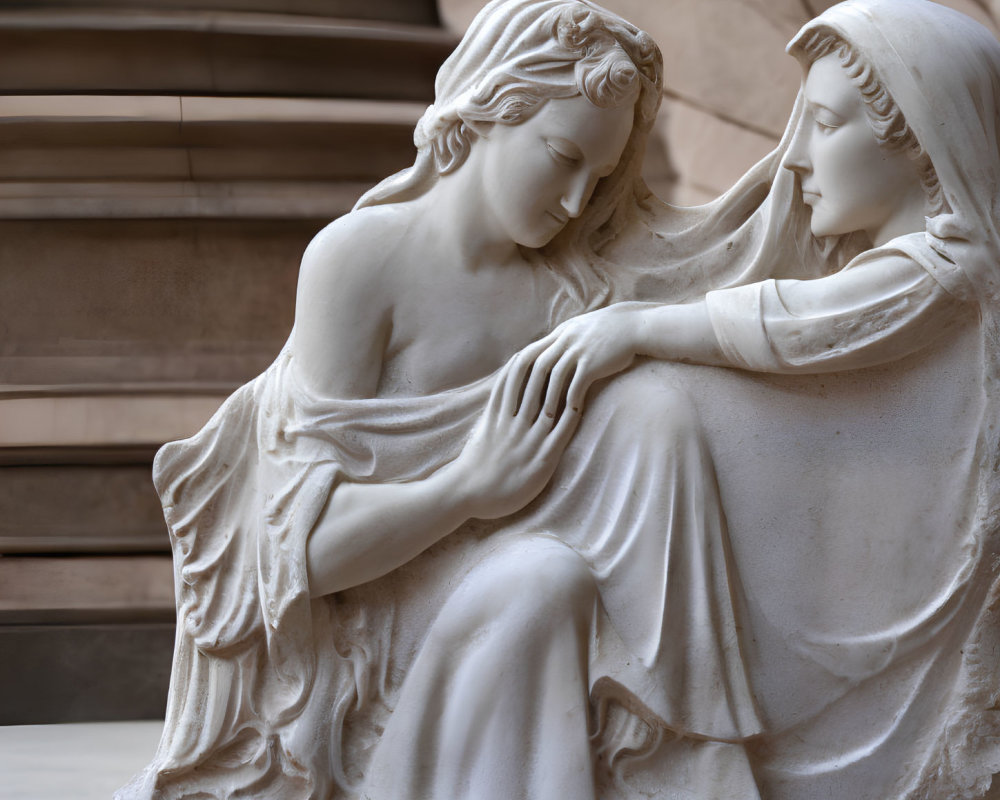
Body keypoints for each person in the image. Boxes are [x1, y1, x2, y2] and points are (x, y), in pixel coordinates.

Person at [118, 3, 764, 799]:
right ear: (490, 107)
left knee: (647, 427)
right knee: (542, 579)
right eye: (560, 156)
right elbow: (298, 557)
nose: (572, 203)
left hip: (514, 585)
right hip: (369, 635)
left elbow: (726, 258)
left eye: (595, 178)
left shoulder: (571, 292)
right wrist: (468, 489)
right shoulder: (363, 261)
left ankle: (696, 756)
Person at [532, 0, 1000, 796]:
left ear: (917, 137)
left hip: (874, 657)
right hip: (838, 614)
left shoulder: (946, 272)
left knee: (649, 407)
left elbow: (791, 325)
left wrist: (638, 327)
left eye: (824, 123)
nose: (794, 159)